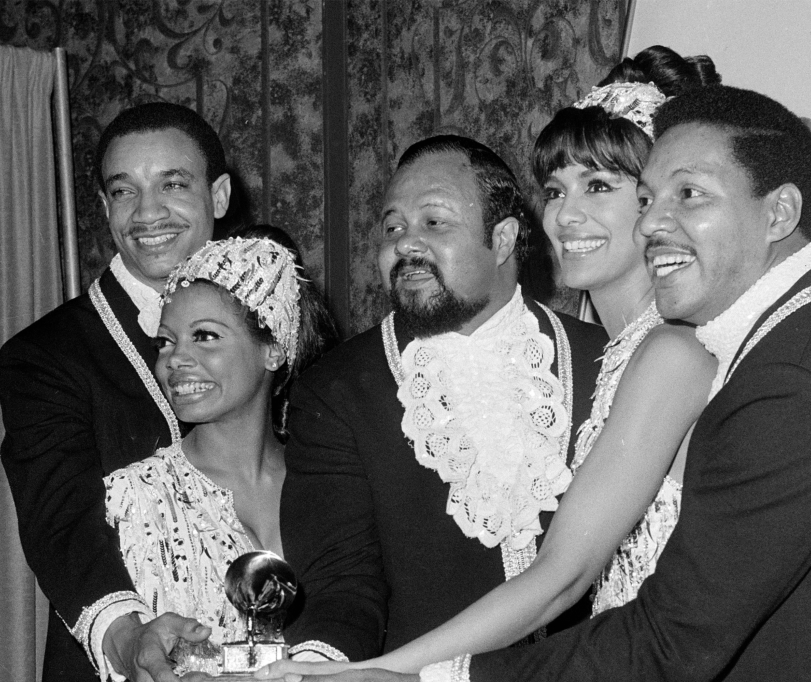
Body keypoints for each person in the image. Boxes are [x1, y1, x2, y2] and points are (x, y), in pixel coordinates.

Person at [288, 85, 811, 682]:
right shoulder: (790, 336)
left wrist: (399, 676)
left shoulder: (766, 368)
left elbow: (625, 613)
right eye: (555, 190)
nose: (650, 222)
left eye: (684, 194)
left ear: (778, 213)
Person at [258, 46, 720, 679]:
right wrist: (342, 666)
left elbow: (563, 576)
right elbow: (342, 583)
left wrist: (388, 674)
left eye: (599, 186)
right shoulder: (628, 351)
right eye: (554, 190)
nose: (565, 214)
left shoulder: (663, 350)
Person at [276, 135, 610, 664]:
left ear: (502, 240)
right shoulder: (336, 390)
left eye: (434, 222)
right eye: (392, 228)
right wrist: (321, 667)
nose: (406, 244)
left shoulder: (603, 360)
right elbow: (341, 587)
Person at [0, 101, 231, 682]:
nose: (148, 213)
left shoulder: (274, 330)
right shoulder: (46, 356)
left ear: (220, 195)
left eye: (173, 184)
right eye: (125, 191)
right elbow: (62, 525)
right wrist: (127, 638)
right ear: (105, 207)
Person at [104, 232, 331, 676]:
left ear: (273, 349)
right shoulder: (138, 497)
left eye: (204, 336)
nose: (175, 359)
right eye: (165, 342)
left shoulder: (333, 480)